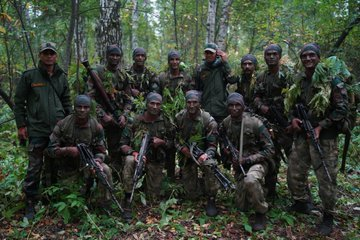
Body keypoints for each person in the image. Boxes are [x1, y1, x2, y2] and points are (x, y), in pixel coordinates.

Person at [286, 43, 349, 236]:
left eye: (311, 55)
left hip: (326, 137)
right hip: (303, 134)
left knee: (326, 178)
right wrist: (293, 120)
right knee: (294, 170)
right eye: (304, 56)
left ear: (319, 57)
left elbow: (342, 109)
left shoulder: (332, 80)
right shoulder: (301, 81)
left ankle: (328, 216)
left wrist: (321, 126)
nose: (308, 59)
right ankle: (301, 202)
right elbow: (292, 104)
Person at [14, 42, 72, 220]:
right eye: (45, 53)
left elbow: (67, 102)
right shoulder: (30, 76)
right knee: (34, 167)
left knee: (55, 164)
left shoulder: (61, 76)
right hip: (37, 129)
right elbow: (19, 102)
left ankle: (51, 198)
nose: (49, 56)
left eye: (52, 53)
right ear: (40, 55)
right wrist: (21, 125)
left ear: (56, 56)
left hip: (57, 129)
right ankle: (30, 203)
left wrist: (69, 124)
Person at [219, 93, 275, 231]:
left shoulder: (255, 123)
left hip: (259, 163)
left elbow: (270, 150)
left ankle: (261, 213)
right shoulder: (226, 123)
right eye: (231, 105)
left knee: (250, 180)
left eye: (238, 105)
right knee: (241, 206)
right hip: (240, 167)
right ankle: (261, 192)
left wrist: (248, 159)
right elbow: (222, 140)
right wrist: (226, 153)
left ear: (243, 106)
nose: (234, 108)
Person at [46, 95, 113, 208]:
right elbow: (50, 150)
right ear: (74, 108)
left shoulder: (96, 127)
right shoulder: (63, 125)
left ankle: (103, 206)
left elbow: (102, 150)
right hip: (67, 168)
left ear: (89, 109)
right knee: (69, 203)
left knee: (105, 170)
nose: (82, 110)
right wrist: (67, 150)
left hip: (88, 164)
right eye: (79, 107)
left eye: (86, 107)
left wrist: (97, 161)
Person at [119, 92, 174, 220]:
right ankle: (128, 197)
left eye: (158, 104)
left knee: (153, 199)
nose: (155, 107)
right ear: (146, 104)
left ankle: (146, 188)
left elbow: (174, 143)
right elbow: (123, 145)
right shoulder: (135, 120)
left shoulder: (165, 121)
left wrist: (162, 142)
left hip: (155, 161)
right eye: (152, 103)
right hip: (138, 158)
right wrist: (134, 153)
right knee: (129, 160)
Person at [87, 44, 134, 178]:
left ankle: (116, 176)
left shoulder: (123, 75)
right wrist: (102, 114)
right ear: (107, 56)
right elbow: (89, 98)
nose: (114, 58)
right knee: (97, 148)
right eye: (112, 55)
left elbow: (129, 99)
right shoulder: (97, 72)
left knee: (116, 148)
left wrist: (124, 115)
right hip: (100, 118)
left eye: (117, 55)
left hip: (116, 117)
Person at [253, 43, 293, 196]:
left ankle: (301, 198)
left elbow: (295, 100)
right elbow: (255, 96)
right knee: (271, 157)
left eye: (274, 54)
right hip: (268, 125)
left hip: (287, 125)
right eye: (268, 54)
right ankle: (270, 191)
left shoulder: (287, 76)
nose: (271, 57)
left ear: (279, 56)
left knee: (294, 160)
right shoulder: (262, 77)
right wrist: (261, 106)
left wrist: (291, 120)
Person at [175, 90, 220, 217]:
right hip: (187, 155)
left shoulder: (208, 120)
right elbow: (175, 139)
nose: (191, 105)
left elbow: (212, 145)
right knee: (191, 195)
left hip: (203, 154)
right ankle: (199, 184)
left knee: (210, 166)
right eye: (189, 102)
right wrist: (183, 150)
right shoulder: (179, 118)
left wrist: (206, 155)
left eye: (195, 102)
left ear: (200, 103)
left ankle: (211, 199)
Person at [157, 50, 194, 179]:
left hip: (183, 117)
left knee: (184, 145)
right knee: (169, 146)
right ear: (168, 61)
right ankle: (170, 176)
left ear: (180, 61)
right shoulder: (162, 77)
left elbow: (191, 96)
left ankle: (185, 175)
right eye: (172, 59)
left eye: (177, 59)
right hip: (167, 118)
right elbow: (158, 97)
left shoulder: (187, 77)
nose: (174, 62)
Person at [195, 43, 237, 124]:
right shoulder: (200, 69)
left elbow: (233, 80)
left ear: (216, 54)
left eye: (211, 53)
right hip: (205, 110)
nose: (209, 55)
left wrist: (225, 62)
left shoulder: (222, 66)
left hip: (221, 110)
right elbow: (197, 89)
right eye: (207, 53)